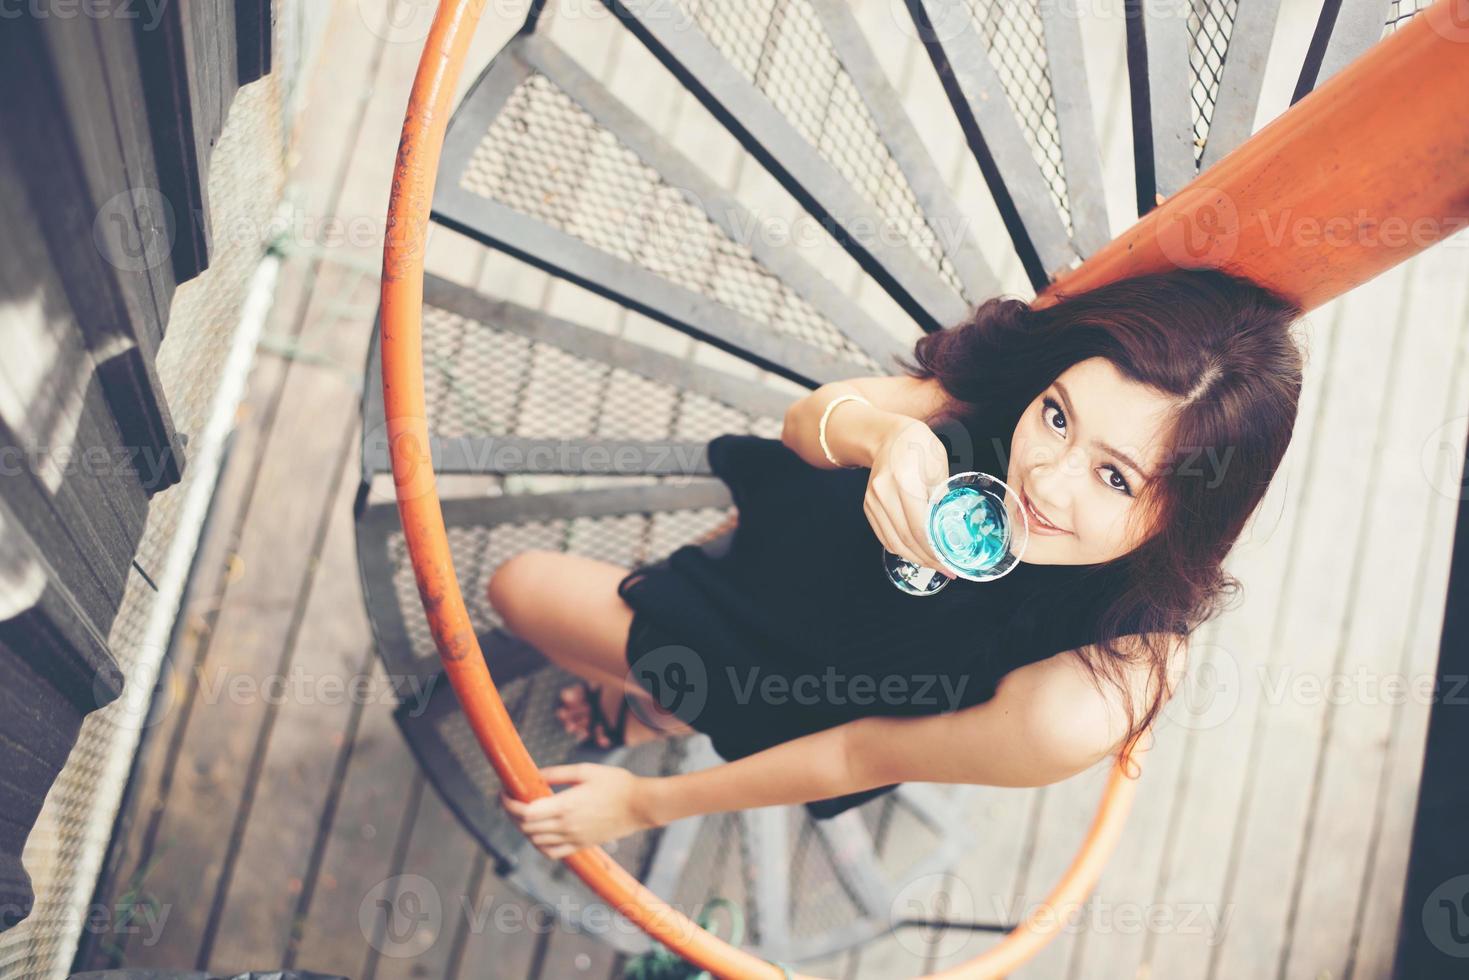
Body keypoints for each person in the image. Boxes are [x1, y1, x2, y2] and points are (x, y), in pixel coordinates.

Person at [488, 266, 1306, 860]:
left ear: (1186, 515)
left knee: (517, 588)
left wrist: (643, 801)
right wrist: (884, 437)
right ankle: (659, 692)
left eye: (1114, 476)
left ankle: (662, 709)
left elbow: (859, 754)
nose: (1042, 481)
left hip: (823, 689)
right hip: (805, 553)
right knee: (554, 592)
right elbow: (804, 426)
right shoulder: (1011, 392)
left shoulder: (1093, 687)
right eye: (1057, 418)